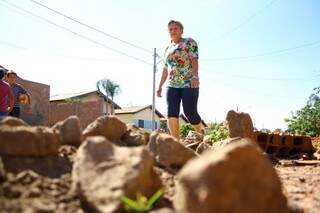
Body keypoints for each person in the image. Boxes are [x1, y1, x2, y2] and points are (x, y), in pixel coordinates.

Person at [157, 20, 203, 140]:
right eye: (170, 29)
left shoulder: (189, 42)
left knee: (190, 113)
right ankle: (176, 143)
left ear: (181, 30)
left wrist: (195, 76)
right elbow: (166, 68)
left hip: (188, 83)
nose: (173, 31)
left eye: (176, 28)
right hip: (172, 85)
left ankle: (200, 132)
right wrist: (160, 86)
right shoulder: (167, 48)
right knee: (171, 113)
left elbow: (194, 60)